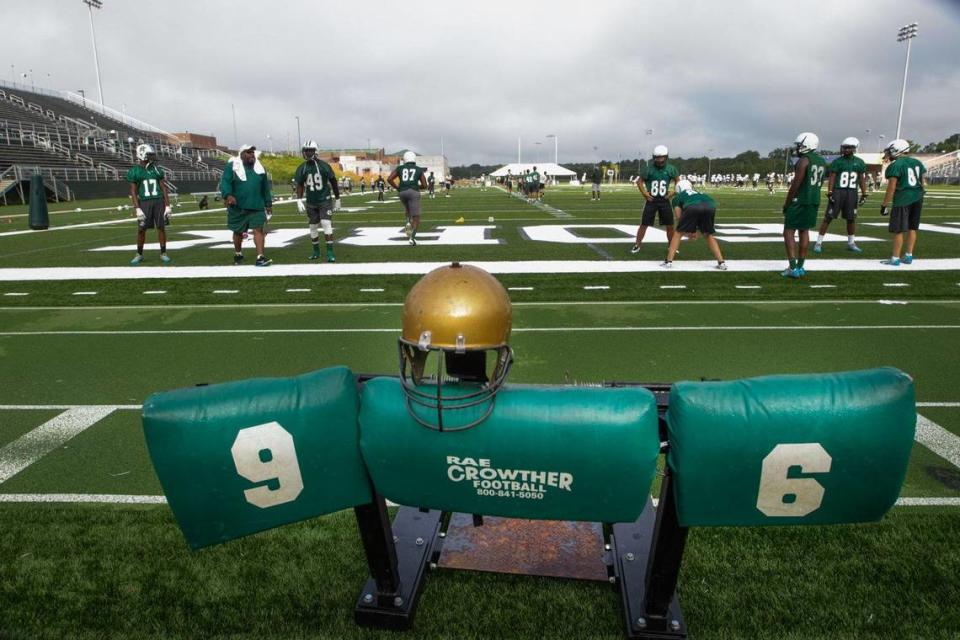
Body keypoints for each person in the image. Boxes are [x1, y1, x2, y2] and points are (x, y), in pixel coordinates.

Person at [780, 132, 826, 278]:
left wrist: (787, 203)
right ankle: (800, 267)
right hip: (814, 200)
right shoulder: (822, 161)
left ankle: (793, 267)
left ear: (807, 145)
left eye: (799, 145)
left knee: (788, 232)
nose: (797, 148)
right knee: (804, 231)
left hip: (800, 200)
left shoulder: (804, 160)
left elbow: (795, 185)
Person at [219, 144, 273, 266]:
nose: (252, 155)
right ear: (242, 154)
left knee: (258, 230)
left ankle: (260, 257)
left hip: (257, 205)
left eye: (253, 152)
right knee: (238, 232)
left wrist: (268, 203)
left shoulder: (260, 168)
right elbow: (225, 182)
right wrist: (228, 195)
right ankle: (238, 253)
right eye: (248, 152)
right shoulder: (232, 167)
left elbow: (265, 187)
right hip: (238, 207)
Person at [814, 137, 868, 254]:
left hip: (852, 192)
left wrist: (864, 193)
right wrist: (830, 191)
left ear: (854, 148)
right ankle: (818, 242)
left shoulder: (859, 162)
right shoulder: (838, 161)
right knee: (828, 217)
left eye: (848, 147)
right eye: (844, 147)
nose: (845, 149)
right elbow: (832, 177)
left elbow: (861, 179)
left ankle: (851, 243)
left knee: (851, 219)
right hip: (838, 191)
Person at [660, 179, 726, 270]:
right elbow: (702, 208)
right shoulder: (699, 193)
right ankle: (721, 262)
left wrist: (690, 230)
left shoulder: (677, 198)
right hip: (710, 206)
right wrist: (693, 229)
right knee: (708, 235)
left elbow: (679, 217)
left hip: (692, 207)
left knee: (678, 233)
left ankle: (668, 261)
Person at [879, 138, 926, 266]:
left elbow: (892, 187)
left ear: (897, 150)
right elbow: (923, 182)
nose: (888, 154)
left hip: (903, 199)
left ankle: (895, 258)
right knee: (912, 228)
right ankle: (909, 255)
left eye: (889, 151)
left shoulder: (896, 165)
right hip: (917, 197)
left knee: (898, 230)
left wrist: (884, 204)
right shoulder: (917, 162)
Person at [294, 140, 341, 262]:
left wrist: (337, 198)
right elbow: (299, 184)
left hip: (324, 200)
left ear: (316, 151)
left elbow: (333, 182)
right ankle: (316, 252)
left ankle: (330, 252)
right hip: (311, 201)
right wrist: (298, 200)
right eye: (306, 150)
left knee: (326, 224)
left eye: (310, 150)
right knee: (313, 226)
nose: (307, 153)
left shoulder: (324, 166)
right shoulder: (302, 168)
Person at [126, 144, 172, 265]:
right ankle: (139, 254)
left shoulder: (156, 169)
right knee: (141, 229)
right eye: (149, 154)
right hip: (144, 202)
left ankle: (163, 253)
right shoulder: (134, 171)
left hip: (158, 201)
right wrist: (137, 208)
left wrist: (167, 205)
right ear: (141, 154)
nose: (152, 157)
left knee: (161, 227)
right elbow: (133, 191)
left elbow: (164, 188)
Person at [631, 145, 679, 255]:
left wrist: (673, 192)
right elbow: (639, 181)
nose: (659, 160)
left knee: (670, 225)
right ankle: (637, 244)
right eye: (657, 157)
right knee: (644, 224)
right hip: (651, 200)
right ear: (654, 157)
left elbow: (678, 181)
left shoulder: (671, 168)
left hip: (664, 200)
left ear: (666, 157)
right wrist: (645, 194)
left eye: (661, 157)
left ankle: (671, 246)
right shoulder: (648, 169)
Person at [387, 151, 428, 246]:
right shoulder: (418, 169)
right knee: (416, 217)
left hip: (402, 193)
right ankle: (412, 238)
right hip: (413, 192)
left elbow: (389, 179)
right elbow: (425, 185)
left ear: (405, 159)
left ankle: (407, 222)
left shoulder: (400, 168)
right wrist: (416, 187)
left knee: (407, 208)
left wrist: (398, 188)